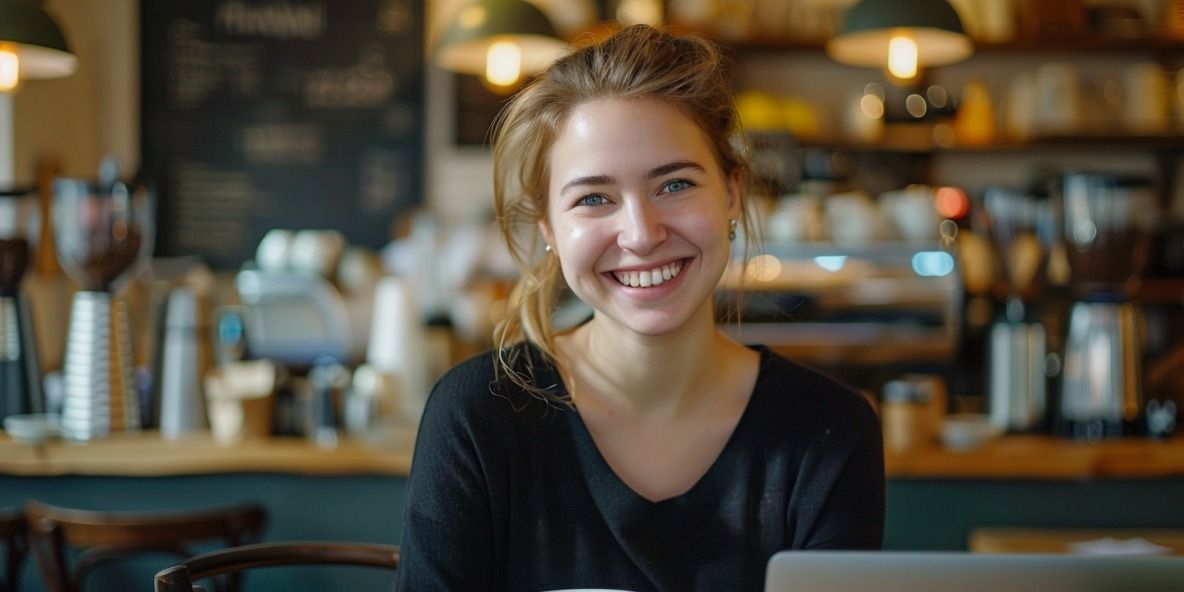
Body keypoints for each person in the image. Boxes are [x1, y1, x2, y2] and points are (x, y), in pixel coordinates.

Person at [396, 24, 884, 591]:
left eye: (674, 185)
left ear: (731, 193)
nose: (641, 234)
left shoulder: (827, 430)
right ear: (550, 225)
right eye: (594, 198)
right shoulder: (479, 417)